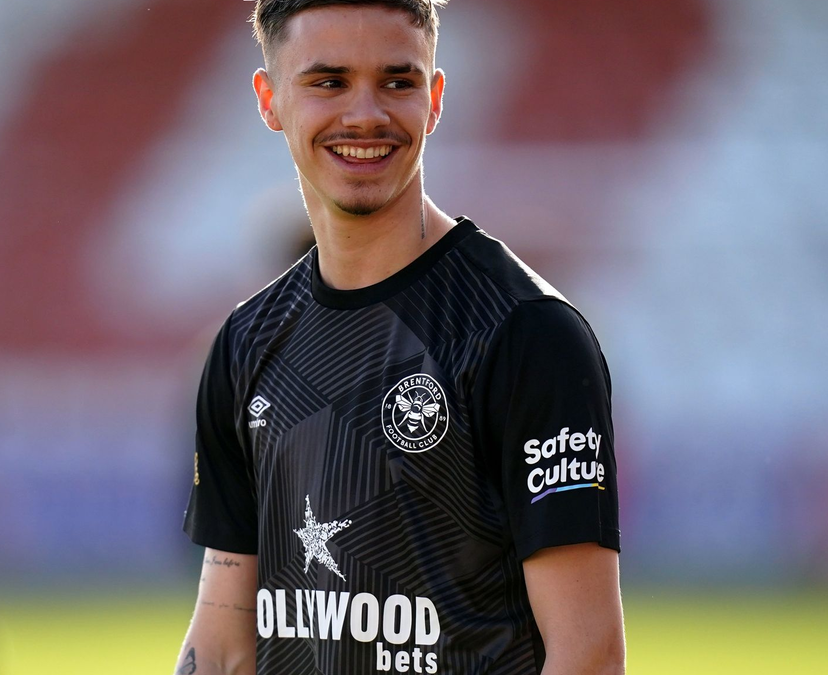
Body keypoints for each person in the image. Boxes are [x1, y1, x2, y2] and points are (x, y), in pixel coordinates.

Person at [175, 1, 624, 673]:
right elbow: (219, 647)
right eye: (328, 81)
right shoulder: (245, 342)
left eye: (397, 81)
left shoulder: (524, 332)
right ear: (270, 99)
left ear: (435, 98)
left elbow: (587, 654)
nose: (365, 115)